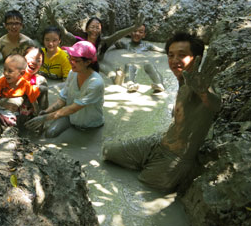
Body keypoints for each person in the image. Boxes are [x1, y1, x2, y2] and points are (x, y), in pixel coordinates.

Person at [102, 32, 221, 192]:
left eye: (182, 55)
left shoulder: (201, 85)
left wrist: (203, 91)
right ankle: (143, 162)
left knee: (145, 191)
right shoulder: (182, 80)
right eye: (171, 55)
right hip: (158, 142)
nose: (174, 60)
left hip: (174, 159)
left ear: (197, 58)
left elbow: (215, 104)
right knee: (108, 151)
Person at [25, 41, 105, 138]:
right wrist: (46, 112)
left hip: (89, 125)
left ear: (87, 62)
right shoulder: (73, 73)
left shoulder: (96, 83)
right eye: (70, 58)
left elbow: (73, 108)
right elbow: (63, 99)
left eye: (76, 60)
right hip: (70, 117)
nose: (71, 62)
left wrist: (44, 118)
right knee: (49, 134)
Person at [46, 5, 145, 67]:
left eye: (97, 27)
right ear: (86, 29)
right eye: (92, 27)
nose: (94, 30)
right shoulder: (79, 42)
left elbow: (117, 35)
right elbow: (65, 33)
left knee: (111, 73)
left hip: (98, 65)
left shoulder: (104, 42)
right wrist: (53, 20)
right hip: (81, 66)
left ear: (101, 30)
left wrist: (134, 27)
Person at [0, 54, 40, 138]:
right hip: (0, 113)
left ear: (21, 73)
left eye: (10, 71)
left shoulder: (26, 85)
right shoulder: (1, 82)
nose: (5, 73)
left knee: (15, 134)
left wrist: (38, 117)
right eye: (4, 69)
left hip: (15, 114)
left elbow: (34, 103)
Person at [113, 24, 166, 93]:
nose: (137, 33)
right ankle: (130, 83)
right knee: (129, 64)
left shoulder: (147, 45)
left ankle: (159, 84)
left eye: (140, 32)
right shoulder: (126, 45)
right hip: (132, 66)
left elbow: (162, 50)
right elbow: (115, 41)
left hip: (144, 66)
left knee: (149, 64)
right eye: (134, 31)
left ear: (144, 35)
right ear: (130, 32)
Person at [19, 46, 49, 123]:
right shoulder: (11, 74)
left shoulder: (41, 80)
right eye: (31, 58)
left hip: (29, 116)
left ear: (41, 65)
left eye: (38, 60)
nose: (34, 62)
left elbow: (44, 107)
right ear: (22, 58)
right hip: (9, 114)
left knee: (42, 88)